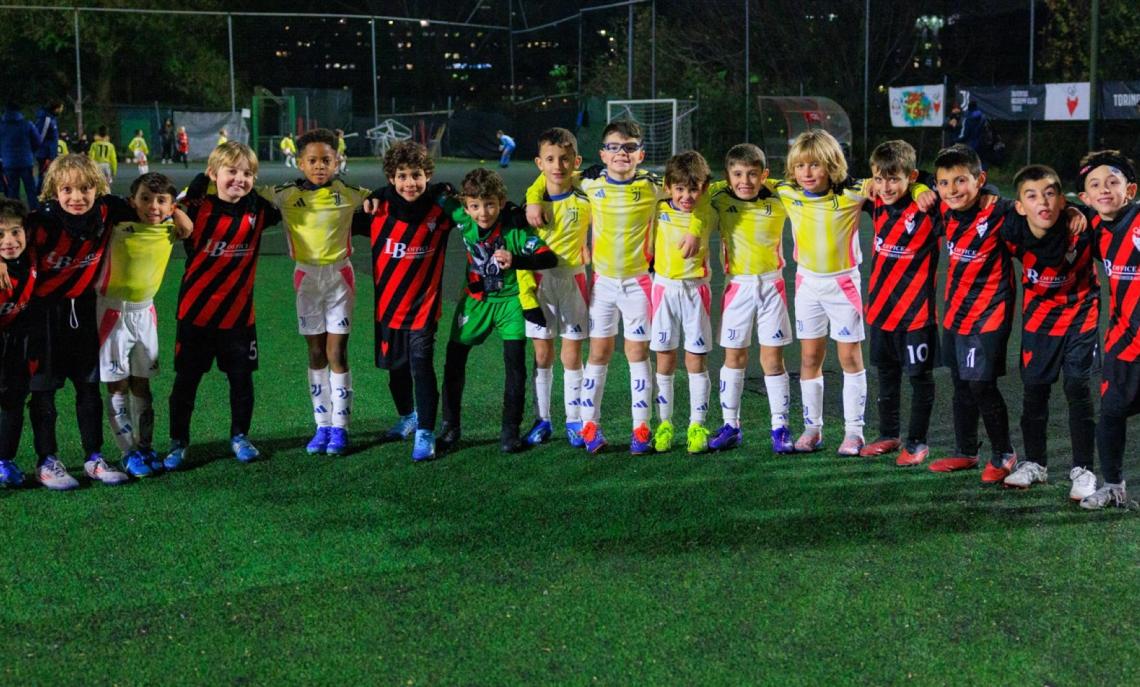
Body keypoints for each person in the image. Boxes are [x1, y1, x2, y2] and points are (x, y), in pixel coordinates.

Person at [524, 120, 694, 454]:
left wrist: (697, 227)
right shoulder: (588, 182)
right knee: (598, 352)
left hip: (639, 284)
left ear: (641, 154)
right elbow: (547, 177)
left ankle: (640, 428)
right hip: (602, 285)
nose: (622, 154)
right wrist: (532, 199)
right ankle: (590, 425)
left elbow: (694, 187)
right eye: (614, 147)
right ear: (603, 154)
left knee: (637, 353)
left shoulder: (652, 185)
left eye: (630, 147)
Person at [774, 130, 933, 455]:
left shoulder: (855, 192)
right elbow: (742, 186)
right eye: (800, 165)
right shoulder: (787, 191)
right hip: (806, 285)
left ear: (832, 165)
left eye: (815, 165)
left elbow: (898, 179)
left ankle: (854, 432)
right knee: (809, 358)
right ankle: (812, 428)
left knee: (849, 357)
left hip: (843, 286)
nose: (807, 172)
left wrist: (918, 187)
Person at [165, 142, 282, 470]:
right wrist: (195, 187)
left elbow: (296, 202)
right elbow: (164, 206)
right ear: (214, 174)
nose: (240, 179)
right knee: (186, 381)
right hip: (196, 314)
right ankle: (178, 442)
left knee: (241, 380)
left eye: (248, 174)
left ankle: (240, 436)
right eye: (232, 171)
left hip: (239, 316)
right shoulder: (195, 207)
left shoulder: (259, 209)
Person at [20, 155, 135, 489]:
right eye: (67, 189)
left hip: (84, 312)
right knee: (43, 391)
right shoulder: (39, 223)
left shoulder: (106, 210)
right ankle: (47, 461)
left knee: (88, 387)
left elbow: (148, 208)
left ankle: (94, 456)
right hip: (42, 316)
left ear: (96, 188)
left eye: (85, 188)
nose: (77, 197)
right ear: (53, 190)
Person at [259, 128, 370, 455]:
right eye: (312, 160)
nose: (319, 166)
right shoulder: (284, 194)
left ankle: (340, 428)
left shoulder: (350, 193)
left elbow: (387, 197)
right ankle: (321, 426)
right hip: (306, 279)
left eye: (326, 160)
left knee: (337, 352)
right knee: (315, 352)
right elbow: (242, 190)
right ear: (300, 163)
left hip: (340, 278)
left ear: (337, 161)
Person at [352, 141, 458, 461]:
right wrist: (372, 196)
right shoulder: (376, 211)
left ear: (427, 175)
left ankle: (425, 431)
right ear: (391, 178)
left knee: (421, 367)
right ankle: (408, 416)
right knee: (395, 370)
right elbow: (336, 221)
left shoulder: (441, 211)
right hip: (387, 309)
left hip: (424, 309)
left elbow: (479, 207)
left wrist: (447, 190)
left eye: (416, 175)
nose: (409, 183)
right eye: (402, 176)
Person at [438, 168, 556, 453]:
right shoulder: (462, 219)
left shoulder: (515, 231)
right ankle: (450, 428)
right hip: (475, 301)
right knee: (453, 362)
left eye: (490, 204)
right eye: (475, 206)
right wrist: (442, 190)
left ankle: (510, 432)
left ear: (502, 202)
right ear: (466, 205)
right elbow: (438, 197)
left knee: (514, 366)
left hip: (510, 302)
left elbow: (548, 258)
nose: (483, 213)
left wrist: (515, 260)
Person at [999, 164, 1098, 500]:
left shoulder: (1083, 226)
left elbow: (1111, 210)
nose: (1042, 202)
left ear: (1062, 199)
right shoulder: (1011, 230)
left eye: (1050, 193)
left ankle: (1084, 468)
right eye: (1032, 195)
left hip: (1081, 313)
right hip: (1039, 317)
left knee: (1076, 386)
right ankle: (1035, 463)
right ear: (1020, 205)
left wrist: (1079, 209)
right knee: (1034, 391)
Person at [926, 144, 1019, 482]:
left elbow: (1040, 209)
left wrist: (1074, 212)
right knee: (960, 384)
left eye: (961, 181)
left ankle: (1004, 453)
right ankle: (966, 452)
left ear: (980, 179)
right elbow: (913, 180)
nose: (952, 190)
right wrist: (924, 188)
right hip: (955, 314)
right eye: (944, 183)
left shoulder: (1001, 211)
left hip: (990, 315)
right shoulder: (943, 210)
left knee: (981, 385)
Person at [95, 172, 191, 477]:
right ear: (132, 201)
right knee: (117, 383)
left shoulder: (168, 229)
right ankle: (127, 452)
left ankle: (145, 444)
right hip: (111, 312)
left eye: (161, 200)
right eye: (145, 199)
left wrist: (173, 210)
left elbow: (188, 229)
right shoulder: (118, 226)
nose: (153, 206)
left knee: (143, 382)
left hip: (145, 313)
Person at [707, 144, 793, 453]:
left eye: (753, 174)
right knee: (734, 358)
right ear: (728, 177)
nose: (745, 181)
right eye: (738, 174)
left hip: (773, 288)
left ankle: (780, 427)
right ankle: (731, 425)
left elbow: (799, 185)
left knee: (772, 360)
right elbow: (696, 188)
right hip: (737, 289)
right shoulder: (718, 198)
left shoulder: (780, 197)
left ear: (765, 175)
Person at [861, 140, 941, 466]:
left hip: (916, 314)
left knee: (919, 378)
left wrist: (925, 186)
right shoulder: (874, 200)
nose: (886, 186)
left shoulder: (928, 207)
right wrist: (868, 184)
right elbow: (839, 181)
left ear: (911, 176)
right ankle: (888, 434)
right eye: (879, 179)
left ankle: (918, 442)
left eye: (894, 179)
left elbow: (972, 191)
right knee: (886, 375)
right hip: (881, 310)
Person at [1075, 151, 1140, 509]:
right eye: (1095, 185)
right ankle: (1114, 486)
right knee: (1112, 412)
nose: (1104, 190)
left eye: (1112, 183)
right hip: (1124, 342)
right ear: (1084, 197)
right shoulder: (1097, 226)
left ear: (1129, 190)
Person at [520, 127, 591, 448]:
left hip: (574, 279)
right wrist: (534, 198)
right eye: (550, 159)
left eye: (564, 159)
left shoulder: (586, 193)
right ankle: (543, 419)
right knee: (542, 352)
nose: (558, 166)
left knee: (572, 352)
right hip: (539, 282)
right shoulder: (530, 203)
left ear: (576, 161)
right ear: (539, 162)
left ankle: (574, 419)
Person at [648, 151, 716, 454]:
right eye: (679, 189)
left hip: (695, 291)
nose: (686, 196)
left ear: (703, 188)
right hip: (663, 290)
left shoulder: (708, 210)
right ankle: (665, 424)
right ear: (668, 187)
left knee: (695, 359)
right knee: (664, 359)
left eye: (693, 189)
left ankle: (697, 424)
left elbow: (712, 196)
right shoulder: (658, 207)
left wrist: (695, 230)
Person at [0, 199, 40, 487]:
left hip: (15, 341)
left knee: (13, 399)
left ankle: (5, 460)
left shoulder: (35, 256)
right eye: (0, 235)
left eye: (16, 232)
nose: (10, 241)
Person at [0, 102, 40, 210]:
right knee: (30, 188)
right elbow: (37, 140)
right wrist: (30, 152)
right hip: (26, 161)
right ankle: (34, 210)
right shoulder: (27, 124)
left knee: (13, 189)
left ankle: (16, 211)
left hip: (8, 163)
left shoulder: (2, 126)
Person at [33, 101, 63, 192]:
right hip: (45, 154)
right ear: (56, 108)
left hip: (49, 153)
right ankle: (40, 194)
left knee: (48, 175)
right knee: (44, 175)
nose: (61, 110)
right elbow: (40, 137)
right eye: (61, 108)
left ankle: (44, 194)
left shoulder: (51, 118)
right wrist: (47, 154)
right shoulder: (47, 119)